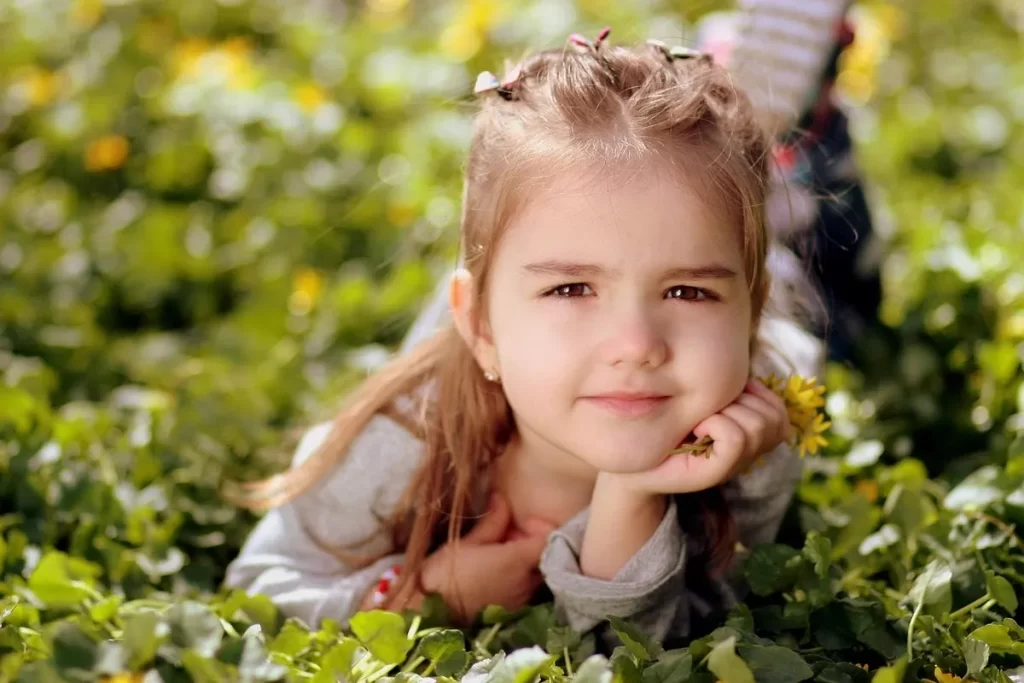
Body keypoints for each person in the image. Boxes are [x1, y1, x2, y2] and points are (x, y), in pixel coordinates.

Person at [224, 28, 822, 646]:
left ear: (749, 318)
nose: (637, 344)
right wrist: (420, 594)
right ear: (479, 328)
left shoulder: (753, 439)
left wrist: (631, 493)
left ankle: (789, 151)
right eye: (572, 289)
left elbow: (658, 651)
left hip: (771, 296)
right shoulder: (402, 439)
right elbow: (258, 593)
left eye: (687, 292)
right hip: (490, 336)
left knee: (804, 264)